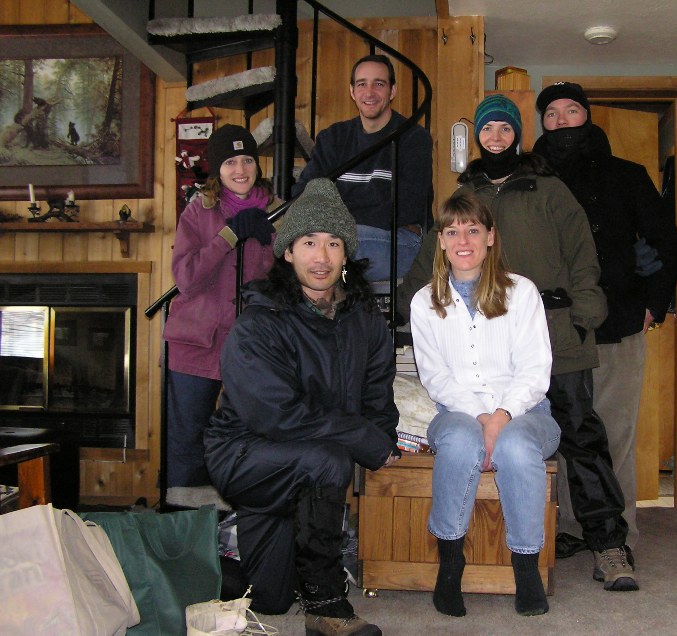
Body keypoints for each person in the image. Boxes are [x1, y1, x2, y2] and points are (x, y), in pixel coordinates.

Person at [399, 94, 638, 591]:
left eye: (505, 129)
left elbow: (582, 251)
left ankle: (609, 542)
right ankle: (552, 534)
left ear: (517, 135)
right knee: (511, 435)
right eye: (488, 129)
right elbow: (435, 256)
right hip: (489, 337)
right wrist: (409, 304)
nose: (496, 137)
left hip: (556, 329)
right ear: (479, 137)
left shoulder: (549, 189)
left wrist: (585, 313)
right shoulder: (467, 192)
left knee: (580, 433)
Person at [204, 178, 400, 635]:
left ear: (346, 254)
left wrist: (384, 439)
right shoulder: (260, 322)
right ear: (288, 252)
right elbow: (275, 415)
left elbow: (377, 397)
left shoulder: (365, 323)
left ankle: (232, 547)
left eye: (334, 243)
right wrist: (360, 439)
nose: (322, 256)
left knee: (270, 599)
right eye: (309, 242)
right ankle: (326, 604)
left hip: (301, 459)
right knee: (327, 460)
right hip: (242, 452)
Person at [532, 82, 677, 558]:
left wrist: (653, 304)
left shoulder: (627, 175)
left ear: (588, 116)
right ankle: (573, 526)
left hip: (618, 323)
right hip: (550, 330)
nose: (561, 121)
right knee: (561, 432)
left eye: (570, 110)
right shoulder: (528, 179)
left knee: (614, 431)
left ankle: (617, 534)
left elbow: (665, 241)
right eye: (551, 114)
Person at [410, 192, 561, 616]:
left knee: (514, 446)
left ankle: (527, 569)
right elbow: (435, 377)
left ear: (490, 237)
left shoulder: (522, 292)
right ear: (440, 240)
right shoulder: (424, 302)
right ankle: (450, 567)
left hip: (528, 413)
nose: (463, 240)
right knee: (460, 443)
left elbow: (535, 370)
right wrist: (479, 417)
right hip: (455, 414)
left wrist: (501, 417)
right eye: (453, 231)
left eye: (473, 230)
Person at [163, 124, 278, 489]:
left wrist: (271, 243)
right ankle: (184, 532)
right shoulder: (198, 212)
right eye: (230, 161)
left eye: (247, 159)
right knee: (187, 443)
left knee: (247, 440)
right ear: (217, 169)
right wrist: (229, 235)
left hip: (248, 348)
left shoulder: (276, 214)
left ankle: (234, 528)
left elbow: (278, 285)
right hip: (195, 344)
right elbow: (187, 277)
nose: (240, 169)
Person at [291, 54, 433, 282]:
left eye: (379, 84)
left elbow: (407, 208)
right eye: (361, 84)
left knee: (325, 246)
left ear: (392, 91)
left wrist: (336, 218)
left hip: (398, 241)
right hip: (338, 236)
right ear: (352, 91)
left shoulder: (413, 138)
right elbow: (304, 194)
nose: (369, 92)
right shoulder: (333, 138)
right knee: (292, 242)